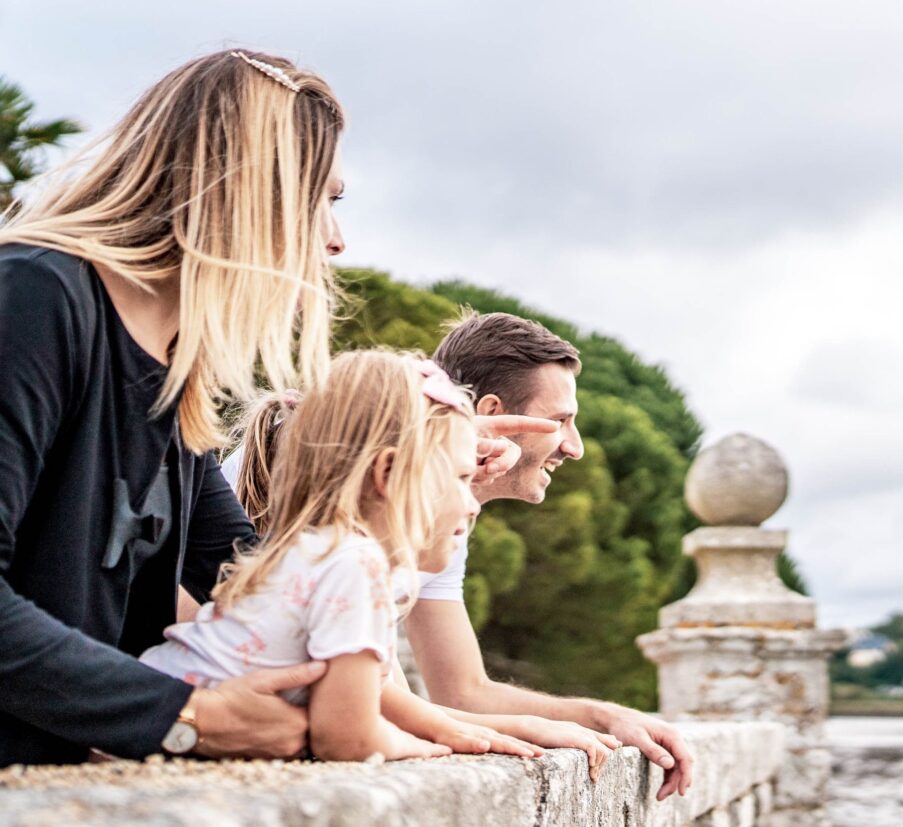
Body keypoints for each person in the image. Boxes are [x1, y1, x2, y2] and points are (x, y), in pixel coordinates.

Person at [0, 49, 349, 766]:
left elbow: (268, 585)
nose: (336, 239)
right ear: (255, 189)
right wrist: (185, 716)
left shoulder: (180, 374)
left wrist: (428, 470)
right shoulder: (34, 298)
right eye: (325, 199)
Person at [143, 350, 543, 761]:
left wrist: (455, 730)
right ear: (386, 473)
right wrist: (425, 748)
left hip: (140, 726)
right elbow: (349, 740)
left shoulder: (322, 551)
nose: (472, 504)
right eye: (461, 479)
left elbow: (378, 690)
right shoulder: (356, 566)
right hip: (150, 743)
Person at [404, 311, 694, 800]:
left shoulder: (447, 514)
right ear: (494, 413)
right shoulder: (383, 492)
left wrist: (606, 716)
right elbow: (364, 702)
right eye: (561, 421)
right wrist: (530, 727)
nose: (575, 448)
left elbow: (463, 691)